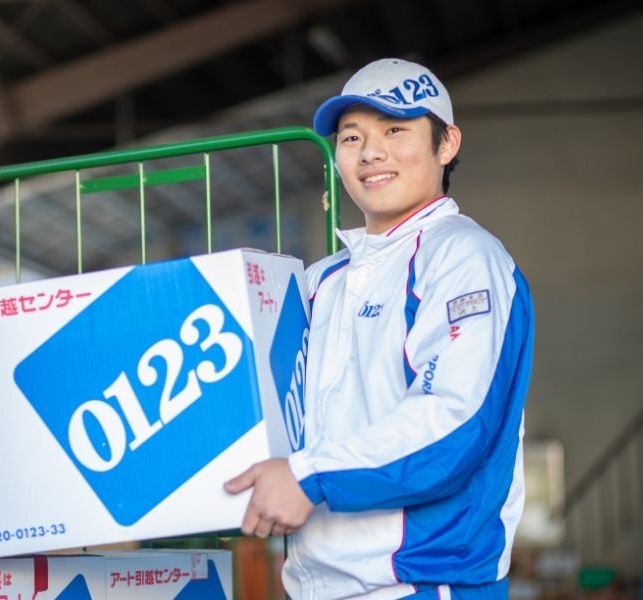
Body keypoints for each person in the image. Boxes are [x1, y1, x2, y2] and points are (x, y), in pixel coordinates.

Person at [224, 58, 535, 599]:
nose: (370, 152)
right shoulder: (322, 281)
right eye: (352, 137)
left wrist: (308, 477)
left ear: (446, 143)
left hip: (424, 585)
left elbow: (455, 422)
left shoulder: (464, 258)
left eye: (395, 130)